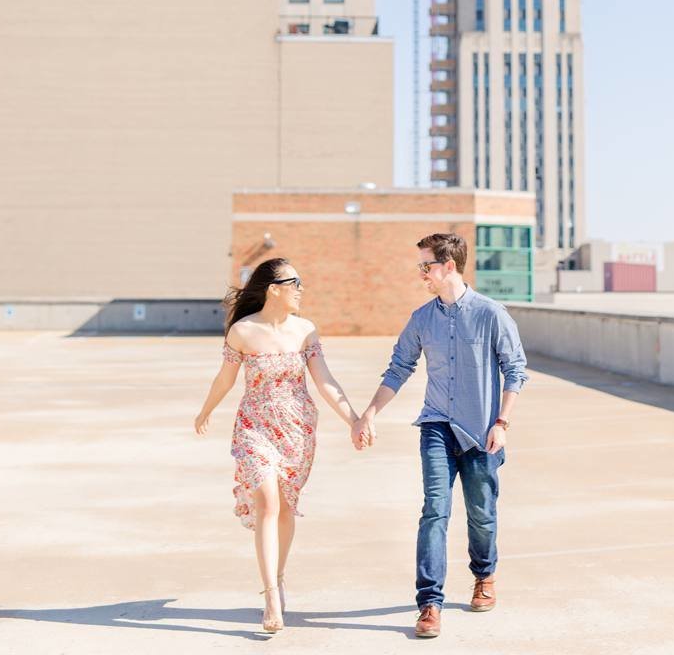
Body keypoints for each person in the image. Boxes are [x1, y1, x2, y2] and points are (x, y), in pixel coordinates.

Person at [352, 233, 528, 639]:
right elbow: (398, 368)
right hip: (436, 427)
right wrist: (369, 414)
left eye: (426, 266)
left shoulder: (492, 314)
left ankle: (484, 576)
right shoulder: (421, 319)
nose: (421, 275)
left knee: (481, 515)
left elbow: (515, 371)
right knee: (435, 509)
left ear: (449, 266)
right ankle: (429, 603)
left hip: (483, 432)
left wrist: (502, 423)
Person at [194, 256, 365, 634]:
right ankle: (270, 594)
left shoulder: (306, 331)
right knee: (268, 502)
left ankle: (280, 575)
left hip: (297, 429)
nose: (301, 289)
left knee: (286, 507)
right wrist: (205, 411)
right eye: (295, 282)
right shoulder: (242, 331)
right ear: (274, 289)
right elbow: (225, 379)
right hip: (255, 427)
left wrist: (354, 419)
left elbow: (324, 381)